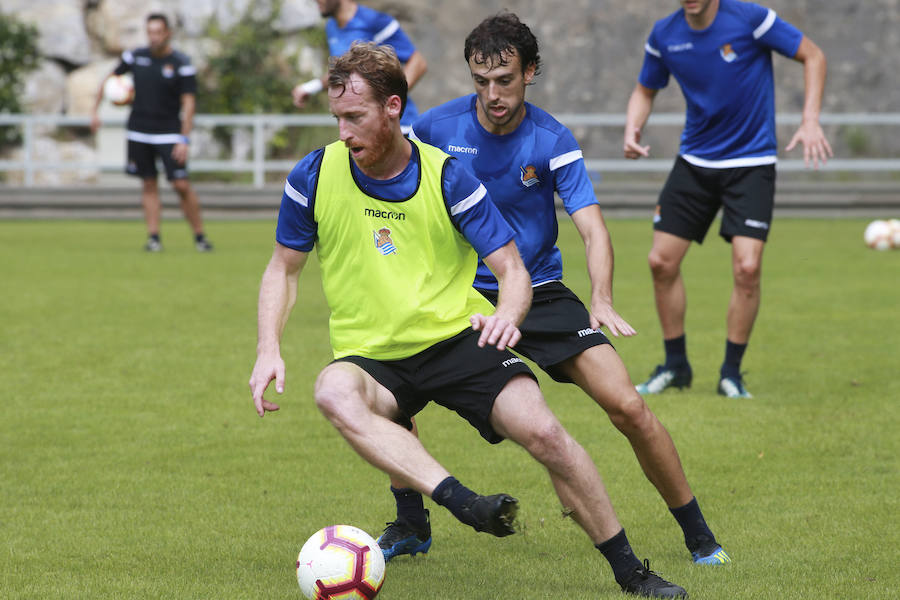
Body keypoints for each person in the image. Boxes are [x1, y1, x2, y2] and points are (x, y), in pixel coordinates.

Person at [249, 42, 687, 598]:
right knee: (333, 392)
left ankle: (633, 574)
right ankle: (460, 501)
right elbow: (282, 272)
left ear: (392, 109)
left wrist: (508, 315)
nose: (343, 133)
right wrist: (269, 347)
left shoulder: (449, 178)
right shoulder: (313, 175)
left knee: (547, 434)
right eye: (337, 118)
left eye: (354, 118)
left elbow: (512, 270)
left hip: (459, 337)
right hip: (374, 357)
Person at [375, 12, 730, 569]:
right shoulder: (435, 130)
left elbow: (591, 225)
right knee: (384, 393)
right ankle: (411, 523)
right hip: (458, 297)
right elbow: (392, 189)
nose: (493, 95)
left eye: (506, 80)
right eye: (481, 81)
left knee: (630, 407)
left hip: (538, 290)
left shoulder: (550, 139)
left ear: (531, 72)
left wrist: (603, 297)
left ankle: (699, 535)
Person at [624, 0, 831, 397]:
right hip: (695, 162)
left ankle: (731, 374)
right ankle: (675, 365)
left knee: (747, 269)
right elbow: (644, 89)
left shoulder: (750, 19)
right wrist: (633, 127)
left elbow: (814, 55)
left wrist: (809, 119)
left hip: (751, 163)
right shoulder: (664, 35)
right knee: (660, 262)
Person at [91, 13, 212, 253]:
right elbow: (110, 80)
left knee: (180, 184)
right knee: (148, 184)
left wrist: (184, 138)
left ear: (168, 33)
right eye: (150, 32)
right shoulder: (135, 57)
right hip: (139, 132)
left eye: (158, 32)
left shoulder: (181, 63)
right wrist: (95, 111)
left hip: (169, 133)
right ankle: (154, 238)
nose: (154, 37)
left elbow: (189, 103)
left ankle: (200, 236)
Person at [291, 0, 427, 134]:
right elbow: (343, 73)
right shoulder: (331, 27)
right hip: (362, 131)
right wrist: (311, 87)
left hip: (398, 128)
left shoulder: (374, 21)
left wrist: (387, 100)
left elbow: (418, 63)